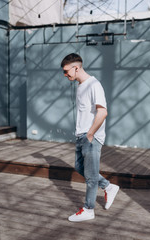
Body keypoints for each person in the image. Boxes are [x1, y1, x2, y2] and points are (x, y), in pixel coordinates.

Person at [61, 53, 119, 222]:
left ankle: (88, 209)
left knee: (91, 177)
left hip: (91, 137)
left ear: (76, 67)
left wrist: (91, 134)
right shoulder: (81, 86)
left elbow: (103, 112)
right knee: (80, 168)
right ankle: (108, 187)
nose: (65, 75)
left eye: (66, 71)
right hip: (82, 136)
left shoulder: (94, 85)